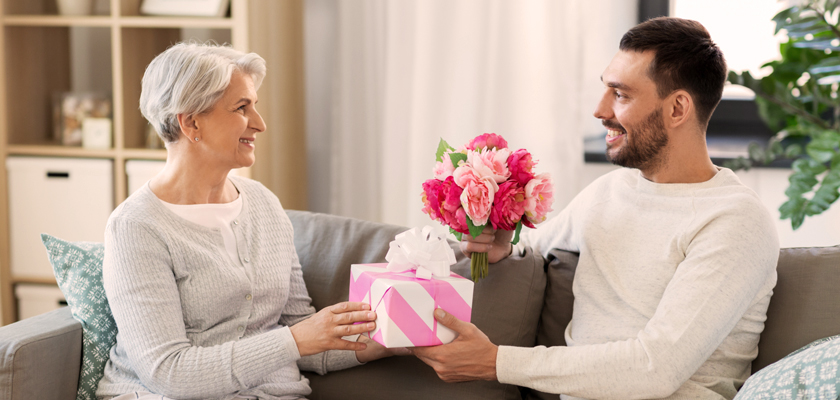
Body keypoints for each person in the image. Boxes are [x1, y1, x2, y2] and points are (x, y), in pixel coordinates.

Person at [413, 17, 780, 400]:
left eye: (620, 95)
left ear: (677, 109)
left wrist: (494, 362)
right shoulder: (609, 192)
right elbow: (536, 250)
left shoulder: (734, 221)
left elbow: (656, 368)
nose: (600, 109)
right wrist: (505, 247)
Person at [97, 42, 402, 400]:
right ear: (191, 121)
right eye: (242, 108)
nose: (259, 124)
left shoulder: (263, 205)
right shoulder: (136, 227)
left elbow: (302, 335)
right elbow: (168, 372)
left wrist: (396, 340)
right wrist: (295, 340)